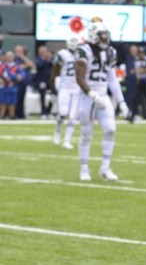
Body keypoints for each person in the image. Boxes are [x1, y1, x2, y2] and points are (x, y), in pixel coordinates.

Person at [74, 19, 129, 181]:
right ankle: (84, 169)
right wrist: (92, 95)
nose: (105, 38)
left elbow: (112, 79)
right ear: (93, 36)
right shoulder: (84, 51)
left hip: (103, 96)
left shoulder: (111, 52)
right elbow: (79, 77)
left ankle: (105, 168)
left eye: (106, 34)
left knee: (111, 129)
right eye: (102, 35)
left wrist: (122, 102)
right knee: (86, 133)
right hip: (87, 97)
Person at [51, 34, 83, 148]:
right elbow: (56, 69)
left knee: (73, 116)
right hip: (65, 87)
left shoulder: (81, 55)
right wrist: (53, 84)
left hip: (76, 88)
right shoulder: (62, 54)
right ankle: (58, 131)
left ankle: (66, 141)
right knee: (63, 113)